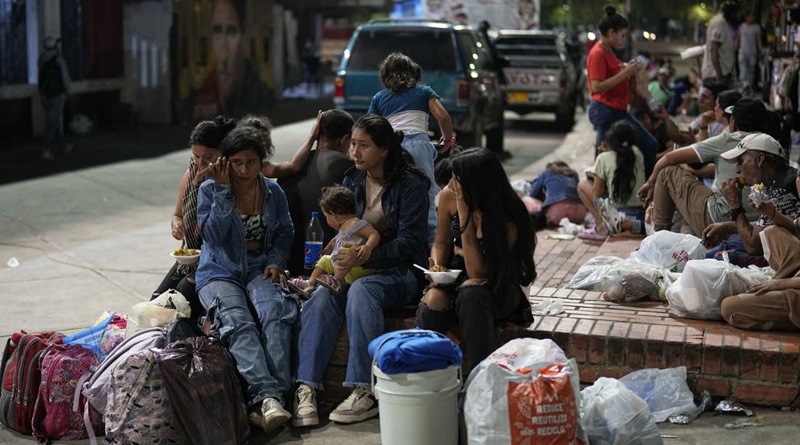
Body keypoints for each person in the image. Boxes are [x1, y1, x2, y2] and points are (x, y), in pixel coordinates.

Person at [293, 115, 429, 427]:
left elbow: (410, 244)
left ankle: (364, 389)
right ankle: (307, 387)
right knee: (322, 295)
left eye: (363, 145)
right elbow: (345, 228)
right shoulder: (353, 179)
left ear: (384, 150)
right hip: (356, 270)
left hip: (400, 272)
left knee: (362, 290)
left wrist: (365, 259)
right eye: (353, 143)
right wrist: (338, 255)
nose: (354, 151)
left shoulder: (410, 186)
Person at [195, 124, 299, 433]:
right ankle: (266, 397)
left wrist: (276, 260)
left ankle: (275, 397)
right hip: (218, 271)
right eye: (237, 162)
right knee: (237, 321)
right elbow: (212, 237)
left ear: (261, 161)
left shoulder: (273, 192)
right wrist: (223, 193)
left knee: (276, 312)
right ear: (226, 162)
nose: (243, 170)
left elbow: (285, 231)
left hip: (259, 266)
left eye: (251, 162)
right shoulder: (209, 190)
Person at [415, 148, 535, 372]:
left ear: (477, 184)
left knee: (471, 291)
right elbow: (441, 242)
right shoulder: (450, 195)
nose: (451, 185)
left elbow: (478, 273)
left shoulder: (507, 215)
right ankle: (429, 374)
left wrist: (464, 216)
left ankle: (479, 375)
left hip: (498, 286)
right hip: (459, 279)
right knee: (433, 299)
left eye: (457, 179)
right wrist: (438, 267)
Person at [637, 98, 768, 237]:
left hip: (723, 216)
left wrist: (650, 182)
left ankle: (658, 237)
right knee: (689, 217)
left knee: (666, 173)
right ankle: (681, 243)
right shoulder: (771, 143)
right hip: (760, 220)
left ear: (733, 123)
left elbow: (669, 158)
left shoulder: (728, 139)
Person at [151, 115, 236, 319]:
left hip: (218, 262)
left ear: (223, 152)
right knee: (155, 304)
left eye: (208, 157)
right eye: (196, 156)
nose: (200, 163)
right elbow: (177, 214)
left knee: (180, 302)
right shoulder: (191, 173)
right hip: (189, 257)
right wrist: (177, 225)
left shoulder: (232, 181)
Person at [368, 52, 453, 246]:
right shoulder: (424, 92)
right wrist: (447, 140)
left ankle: (398, 239)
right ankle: (431, 245)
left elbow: (370, 127)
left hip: (392, 148)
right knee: (426, 192)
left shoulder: (379, 97)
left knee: (393, 192)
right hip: (419, 145)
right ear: (413, 72)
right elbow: (443, 117)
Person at [265, 109, 355, 275]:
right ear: (344, 139)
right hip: (330, 265)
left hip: (289, 262)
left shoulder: (289, 169)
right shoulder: (350, 167)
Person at [701, 133, 800, 264]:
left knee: (721, 256)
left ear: (760, 160)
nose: (737, 170)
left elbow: (753, 246)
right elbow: (770, 225)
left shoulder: (780, 191)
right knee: (728, 242)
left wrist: (735, 205)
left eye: (740, 162)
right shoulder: (782, 179)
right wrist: (728, 227)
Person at [586, 5, 659, 177]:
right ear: (611, 33)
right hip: (605, 109)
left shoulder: (609, 52)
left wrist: (628, 70)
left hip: (617, 110)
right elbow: (597, 87)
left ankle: (644, 186)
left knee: (650, 145)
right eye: (622, 35)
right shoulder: (598, 53)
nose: (623, 40)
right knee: (602, 157)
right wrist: (625, 72)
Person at [289, 186, 380, 297]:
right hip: (342, 267)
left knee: (345, 251)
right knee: (323, 260)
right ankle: (310, 284)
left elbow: (374, 234)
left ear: (333, 215)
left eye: (326, 216)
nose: (327, 220)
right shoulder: (342, 228)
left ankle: (336, 280)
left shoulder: (356, 223)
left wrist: (367, 247)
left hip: (356, 266)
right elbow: (334, 242)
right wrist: (325, 252)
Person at [189, 0, 273, 120]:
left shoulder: (261, 98)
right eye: (217, 32)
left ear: (244, 39)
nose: (224, 55)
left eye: (231, 33)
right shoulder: (200, 94)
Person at [577, 120, 647, 239]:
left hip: (616, 212)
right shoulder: (638, 154)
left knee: (582, 185)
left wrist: (596, 173)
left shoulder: (603, 158)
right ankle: (631, 226)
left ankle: (602, 227)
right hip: (640, 213)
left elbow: (597, 192)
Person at [524, 161, 587, 230]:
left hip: (558, 214)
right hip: (579, 214)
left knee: (526, 199)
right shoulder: (573, 174)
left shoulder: (547, 172)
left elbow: (533, 193)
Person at [38, 36, 72, 161]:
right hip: (57, 95)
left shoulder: (41, 59)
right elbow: (65, 77)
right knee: (53, 123)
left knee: (55, 122)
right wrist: (68, 91)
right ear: (55, 46)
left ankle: (63, 146)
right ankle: (46, 149)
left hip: (45, 95)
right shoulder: (59, 60)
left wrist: (42, 94)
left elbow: (40, 78)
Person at [701, 1, 739, 88]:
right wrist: (718, 73)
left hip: (721, 73)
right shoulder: (720, 23)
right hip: (715, 75)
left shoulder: (724, 22)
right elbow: (713, 49)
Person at [737, 9, 762, 90]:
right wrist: (736, 48)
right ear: (746, 17)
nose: (752, 18)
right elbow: (738, 38)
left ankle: (749, 87)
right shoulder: (742, 27)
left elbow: (758, 40)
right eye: (751, 16)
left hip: (752, 52)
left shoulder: (756, 27)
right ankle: (742, 87)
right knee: (743, 71)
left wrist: (760, 50)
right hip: (743, 52)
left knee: (751, 71)